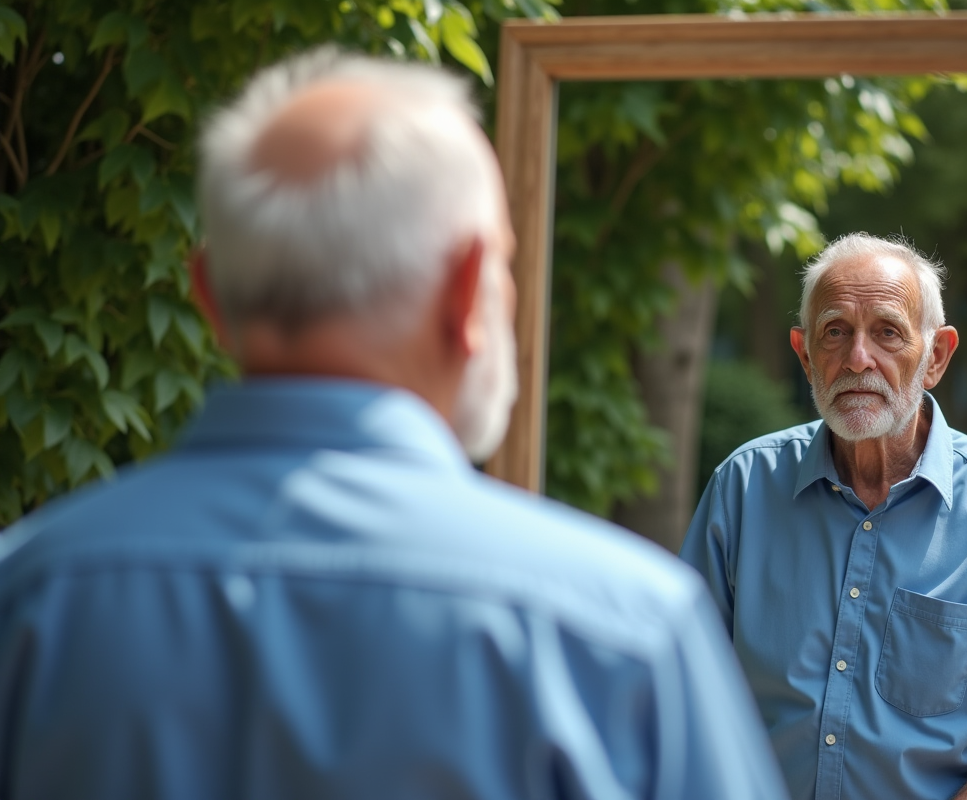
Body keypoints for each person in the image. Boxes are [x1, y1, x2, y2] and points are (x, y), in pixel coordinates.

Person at [0, 49, 788, 800]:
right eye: (506, 264)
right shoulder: (625, 634)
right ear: (468, 287)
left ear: (208, 298)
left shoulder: (26, 593)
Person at [680, 233, 967, 800]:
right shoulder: (743, 487)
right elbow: (684, 698)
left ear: (935, 357)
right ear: (805, 354)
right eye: (835, 331)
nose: (858, 359)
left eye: (887, 332)